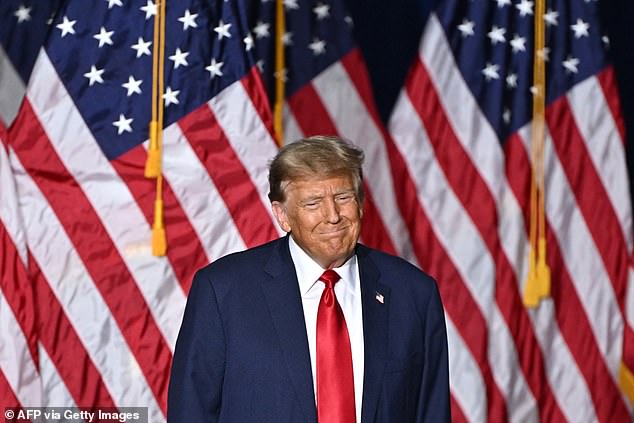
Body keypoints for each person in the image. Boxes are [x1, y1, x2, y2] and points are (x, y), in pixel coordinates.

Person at [167, 135, 450, 422]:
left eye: (343, 198)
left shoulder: (414, 294)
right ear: (282, 215)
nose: (333, 216)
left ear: (361, 203)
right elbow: (192, 409)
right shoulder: (223, 291)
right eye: (313, 203)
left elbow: (431, 411)